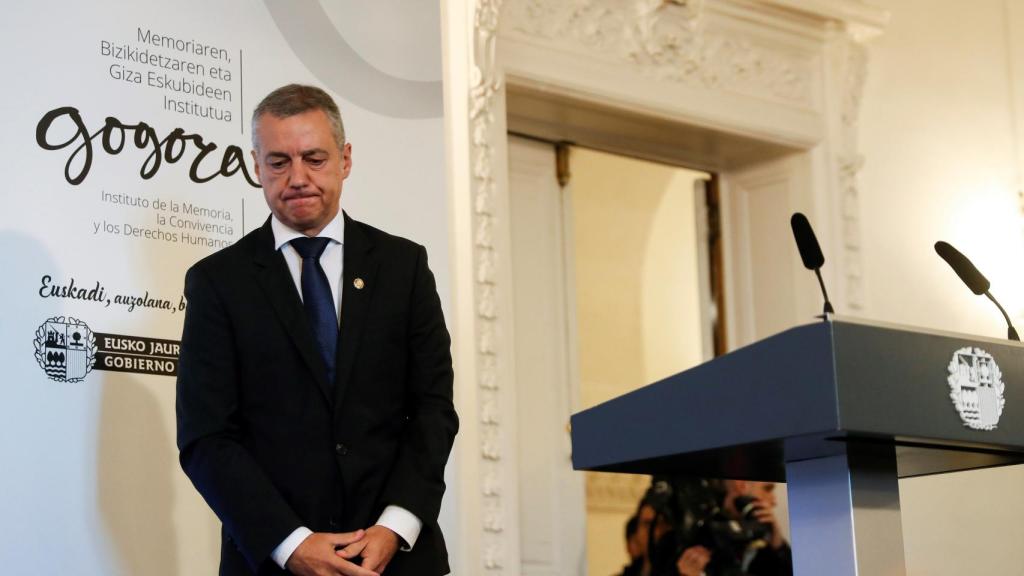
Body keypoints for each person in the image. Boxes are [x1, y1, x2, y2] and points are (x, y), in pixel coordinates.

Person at [176, 84, 458, 576]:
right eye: (278, 162)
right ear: (256, 166)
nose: (298, 178)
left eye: (314, 158)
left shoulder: (404, 267)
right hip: (274, 564)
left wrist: (394, 527)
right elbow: (207, 437)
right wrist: (291, 544)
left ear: (345, 159)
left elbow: (433, 409)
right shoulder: (218, 282)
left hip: (397, 560)